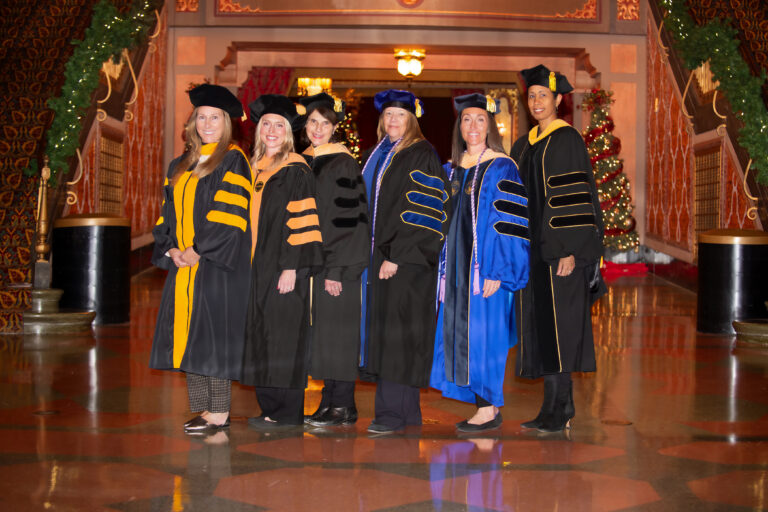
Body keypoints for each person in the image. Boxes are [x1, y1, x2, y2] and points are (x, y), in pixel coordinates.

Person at [149, 83, 253, 434]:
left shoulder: (233, 160)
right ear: (192, 122)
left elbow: (229, 215)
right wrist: (171, 249)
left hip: (217, 267)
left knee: (214, 337)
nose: (207, 124)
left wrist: (198, 249)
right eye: (201, 117)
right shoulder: (181, 164)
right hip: (185, 266)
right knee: (190, 335)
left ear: (227, 123)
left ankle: (219, 412)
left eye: (215, 118)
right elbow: (167, 215)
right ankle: (204, 409)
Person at [510, 65, 605, 432]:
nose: (536, 102)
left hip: (561, 253)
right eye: (531, 96)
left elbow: (576, 201)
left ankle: (562, 406)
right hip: (532, 255)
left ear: (558, 100)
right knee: (542, 328)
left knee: (561, 329)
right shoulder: (525, 143)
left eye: (543, 96)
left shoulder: (567, 139)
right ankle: (550, 406)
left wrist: (571, 251)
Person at [430, 93, 530, 432]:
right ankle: (481, 404)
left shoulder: (501, 166)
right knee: (462, 337)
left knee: (486, 340)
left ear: (490, 125)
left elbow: (510, 222)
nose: (473, 125)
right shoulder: (451, 169)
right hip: (455, 274)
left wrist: (498, 272)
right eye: (467, 120)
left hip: (485, 272)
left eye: (480, 119)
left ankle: (489, 408)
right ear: (459, 127)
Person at [360, 89, 450, 433]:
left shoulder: (420, 153)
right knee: (393, 335)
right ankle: (408, 412)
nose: (393, 121)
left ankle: (390, 415)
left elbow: (425, 211)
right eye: (388, 115)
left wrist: (397, 256)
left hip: (405, 262)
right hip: (378, 260)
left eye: (400, 115)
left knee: (397, 337)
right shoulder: (376, 155)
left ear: (411, 120)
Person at [241, 94, 324, 430]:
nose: (272, 130)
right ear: (258, 129)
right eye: (266, 124)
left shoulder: (295, 170)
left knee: (284, 337)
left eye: (279, 125)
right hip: (255, 269)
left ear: (289, 133)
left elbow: (304, 220)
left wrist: (293, 267)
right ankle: (268, 407)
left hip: (283, 268)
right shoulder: (252, 167)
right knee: (262, 335)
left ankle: (287, 412)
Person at [298, 93, 369, 427]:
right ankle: (330, 402)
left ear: (335, 128)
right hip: (317, 264)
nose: (318, 129)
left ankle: (342, 405)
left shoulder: (342, 163)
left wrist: (337, 270)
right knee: (325, 335)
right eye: (313, 121)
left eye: (325, 124)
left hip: (338, 266)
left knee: (338, 335)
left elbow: (349, 220)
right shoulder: (305, 160)